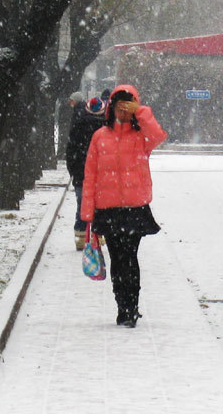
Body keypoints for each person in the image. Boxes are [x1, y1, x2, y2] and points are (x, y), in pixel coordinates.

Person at [81, 85, 168, 327]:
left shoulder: (141, 137)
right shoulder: (100, 137)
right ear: (111, 109)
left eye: (128, 107)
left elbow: (158, 135)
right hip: (108, 211)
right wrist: (87, 214)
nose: (123, 112)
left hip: (134, 210)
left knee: (129, 256)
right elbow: (90, 176)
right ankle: (122, 305)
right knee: (117, 260)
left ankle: (132, 306)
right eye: (119, 107)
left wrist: (141, 111)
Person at [66, 97, 106, 250]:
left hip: (81, 173)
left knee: (82, 205)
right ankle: (99, 235)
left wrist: (73, 171)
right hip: (101, 174)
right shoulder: (106, 128)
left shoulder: (78, 126)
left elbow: (70, 150)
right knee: (100, 205)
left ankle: (80, 236)